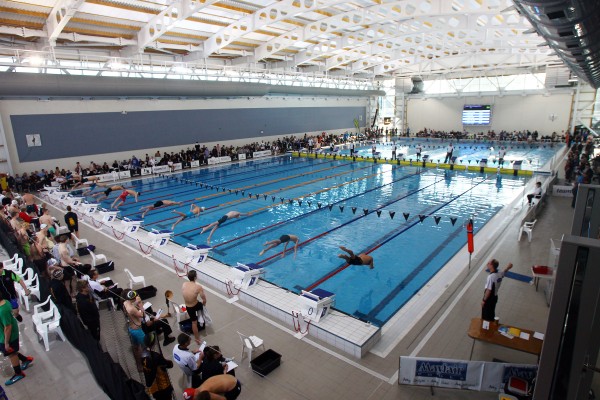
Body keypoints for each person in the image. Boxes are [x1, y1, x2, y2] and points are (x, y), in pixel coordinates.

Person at [0, 291, 34, 386]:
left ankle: (19, 373)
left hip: (8, 336)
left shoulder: (2, 311)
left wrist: (6, 343)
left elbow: (8, 327)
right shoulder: (5, 302)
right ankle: (25, 360)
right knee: (12, 350)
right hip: (5, 334)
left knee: (11, 353)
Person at [142, 333, 175, 400]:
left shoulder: (143, 354)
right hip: (162, 385)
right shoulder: (156, 356)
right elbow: (168, 364)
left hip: (152, 386)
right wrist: (169, 362)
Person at [182, 270, 207, 344]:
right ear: (195, 277)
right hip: (195, 306)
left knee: (193, 322)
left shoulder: (184, 284)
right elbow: (204, 299)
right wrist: (204, 306)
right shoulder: (198, 287)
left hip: (187, 306)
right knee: (202, 305)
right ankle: (201, 317)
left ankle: (197, 339)